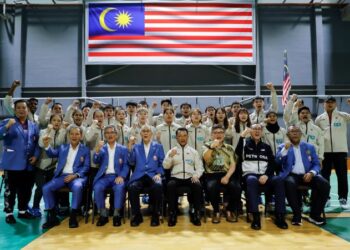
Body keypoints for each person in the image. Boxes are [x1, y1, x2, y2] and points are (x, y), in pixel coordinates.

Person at [236, 124, 288, 230]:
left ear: (262, 132)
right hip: (250, 174)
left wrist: (266, 175)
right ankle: (255, 217)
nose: (257, 131)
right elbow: (237, 153)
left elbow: (272, 164)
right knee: (251, 180)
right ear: (250, 132)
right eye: (254, 129)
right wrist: (242, 137)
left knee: (279, 180)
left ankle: (280, 216)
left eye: (259, 129)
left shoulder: (266, 147)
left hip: (265, 176)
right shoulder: (245, 145)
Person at [276, 126, 330, 226]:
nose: (295, 133)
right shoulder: (282, 147)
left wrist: (312, 173)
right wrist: (285, 150)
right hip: (291, 175)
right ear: (288, 135)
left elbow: (316, 164)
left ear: (301, 134)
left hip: (308, 174)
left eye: (297, 131)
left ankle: (314, 215)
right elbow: (277, 162)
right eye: (292, 131)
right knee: (289, 183)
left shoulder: (309, 147)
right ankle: (297, 214)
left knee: (324, 184)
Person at [41, 125, 90, 229]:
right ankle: (52, 217)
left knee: (77, 187)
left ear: (81, 136)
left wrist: (75, 175)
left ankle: (73, 216)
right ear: (68, 135)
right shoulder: (63, 147)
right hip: (61, 176)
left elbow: (86, 167)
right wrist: (47, 146)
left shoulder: (85, 150)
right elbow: (51, 153)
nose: (74, 136)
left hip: (77, 177)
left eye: (77, 134)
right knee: (46, 188)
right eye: (72, 134)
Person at [0, 99, 40, 224]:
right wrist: (7, 127)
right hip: (12, 163)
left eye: (24, 108)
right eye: (19, 108)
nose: (22, 110)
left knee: (26, 189)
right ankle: (9, 213)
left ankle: (22, 211)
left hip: (29, 164)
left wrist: (36, 156)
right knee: (10, 190)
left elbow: (38, 143)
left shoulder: (33, 125)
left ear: (27, 110)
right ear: (15, 110)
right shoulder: (8, 122)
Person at [163, 128, 204, 227]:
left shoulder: (193, 152)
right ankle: (172, 213)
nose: (182, 138)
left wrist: (196, 175)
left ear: (187, 137)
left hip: (190, 177)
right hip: (176, 177)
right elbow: (165, 166)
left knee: (197, 185)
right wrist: (170, 157)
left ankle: (195, 212)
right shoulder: (171, 151)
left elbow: (200, 167)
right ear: (176, 137)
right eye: (180, 136)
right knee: (170, 185)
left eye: (184, 135)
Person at [315, 96, 350, 209]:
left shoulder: (343, 116)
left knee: (342, 176)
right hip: (325, 152)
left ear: (336, 104)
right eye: (327, 102)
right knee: (324, 176)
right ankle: (326, 198)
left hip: (340, 152)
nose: (330, 104)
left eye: (332, 102)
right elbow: (316, 136)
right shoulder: (319, 119)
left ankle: (343, 198)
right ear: (323, 104)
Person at [127, 125, 165, 227]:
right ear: (140, 134)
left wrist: (159, 173)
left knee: (158, 186)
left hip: (153, 175)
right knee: (132, 187)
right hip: (139, 176)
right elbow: (131, 162)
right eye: (143, 131)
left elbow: (162, 163)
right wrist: (130, 148)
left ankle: (155, 215)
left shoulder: (158, 146)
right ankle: (136, 215)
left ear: (151, 134)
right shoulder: (136, 147)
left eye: (147, 131)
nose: (145, 133)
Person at [202, 124, 241, 224]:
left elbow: (233, 165)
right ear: (211, 135)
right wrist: (211, 147)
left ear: (224, 135)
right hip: (211, 174)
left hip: (227, 173)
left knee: (237, 187)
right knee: (211, 187)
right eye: (215, 133)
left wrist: (227, 176)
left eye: (220, 132)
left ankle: (229, 209)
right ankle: (216, 211)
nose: (218, 135)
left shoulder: (229, 147)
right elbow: (206, 159)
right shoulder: (205, 145)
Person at [93, 126, 129, 227]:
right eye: (107, 133)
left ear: (116, 135)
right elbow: (95, 161)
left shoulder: (123, 149)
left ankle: (117, 215)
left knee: (120, 187)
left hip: (117, 176)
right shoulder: (102, 148)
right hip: (104, 177)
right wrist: (96, 151)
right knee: (97, 187)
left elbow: (126, 165)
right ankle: (103, 215)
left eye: (112, 132)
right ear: (104, 135)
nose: (110, 135)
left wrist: (122, 176)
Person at [31, 114, 66, 217]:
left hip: (53, 167)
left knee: (53, 188)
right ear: (50, 121)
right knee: (41, 187)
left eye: (59, 121)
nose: (56, 122)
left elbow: (59, 143)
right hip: (41, 166)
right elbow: (42, 144)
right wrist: (49, 131)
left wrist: (62, 131)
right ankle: (35, 207)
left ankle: (53, 208)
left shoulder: (61, 132)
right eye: (54, 120)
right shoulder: (43, 131)